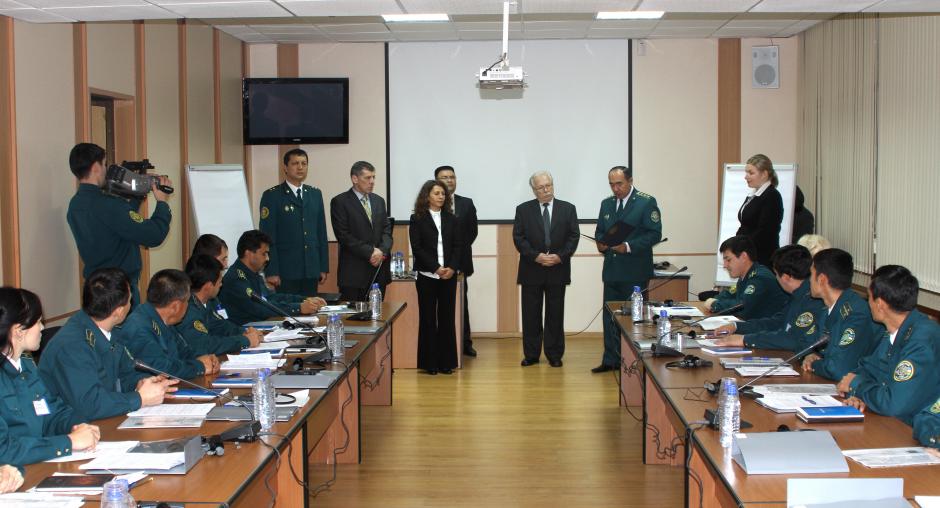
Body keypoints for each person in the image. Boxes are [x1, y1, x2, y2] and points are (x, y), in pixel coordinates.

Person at [39, 268, 176, 422]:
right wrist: (139, 398)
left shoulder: (109, 330)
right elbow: (90, 404)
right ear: (118, 311)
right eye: (130, 300)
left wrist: (141, 383)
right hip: (72, 427)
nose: (131, 304)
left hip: (102, 419)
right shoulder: (71, 346)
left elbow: (126, 372)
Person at [0, 287, 100, 468]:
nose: (42, 328)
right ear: (18, 331)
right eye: (38, 322)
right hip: (15, 474)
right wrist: (68, 442)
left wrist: (77, 425)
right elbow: (5, 450)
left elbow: (50, 412)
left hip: (39, 462)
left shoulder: (26, 364)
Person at [66, 142, 172, 306]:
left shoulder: (75, 205)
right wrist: (162, 203)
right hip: (120, 293)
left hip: (95, 289)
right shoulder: (108, 205)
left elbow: (119, 224)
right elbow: (153, 235)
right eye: (104, 164)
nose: (106, 169)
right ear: (96, 167)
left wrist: (137, 194)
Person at [837, 265, 940, 425]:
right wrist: (857, 393)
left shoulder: (922, 341)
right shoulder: (897, 330)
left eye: (869, 297)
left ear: (880, 304)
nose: (867, 303)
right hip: (894, 421)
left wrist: (857, 386)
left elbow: (894, 404)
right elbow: (866, 369)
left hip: (917, 428)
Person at [592, 166, 662, 374]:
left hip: (634, 271)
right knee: (610, 317)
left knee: (633, 319)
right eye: (612, 185)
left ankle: (632, 362)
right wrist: (601, 243)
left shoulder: (645, 202)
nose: (615, 189)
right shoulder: (606, 203)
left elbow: (654, 234)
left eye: (619, 184)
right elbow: (600, 231)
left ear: (630, 181)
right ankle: (610, 359)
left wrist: (629, 246)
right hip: (612, 270)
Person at [512, 171, 579, 368]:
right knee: (531, 315)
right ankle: (531, 355)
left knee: (555, 315)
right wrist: (536, 256)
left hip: (558, 269)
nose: (546, 190)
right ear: (534, 190)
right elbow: (518, 238)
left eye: (549, 185)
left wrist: (560, 256)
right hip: (531, 269)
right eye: (541, 187)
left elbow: (573, 236)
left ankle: (554, 354)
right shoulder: (523, 210)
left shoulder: (568, 208)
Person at [714, 245, 825, 351]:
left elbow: (792, 339)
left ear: (786, 278)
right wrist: (736, 326)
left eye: (776, 274)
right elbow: (776, 322)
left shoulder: (813, 299)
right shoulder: (797, 294)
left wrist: (745, 340)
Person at [119, 270, 220, 380]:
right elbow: (162, 369)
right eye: (187, 301)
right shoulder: (138, 327)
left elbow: (185, 352)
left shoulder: (163, 320)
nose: (188, 305)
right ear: (175, 306)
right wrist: (199, 367)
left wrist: (206, 358)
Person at [801, 248, 880, 381]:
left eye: (811, 274)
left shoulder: (856, 314)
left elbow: (838, 369)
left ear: (821, 279)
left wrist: (814, 364)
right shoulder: (827, 309)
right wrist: (811, 355)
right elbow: (804, 343)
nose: (809, 280)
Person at [259, 148, 329, 297]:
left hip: (311, 269)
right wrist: (271, 270)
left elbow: (321, 233)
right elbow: (267, 237)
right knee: (288, 310)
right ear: (285, 167)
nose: (300, 167)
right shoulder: (272, 196)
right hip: (286, 271)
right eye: (295, 163)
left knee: (311, 309)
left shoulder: (315, 194)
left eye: (304, 163)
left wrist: (323, 267)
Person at [410, 180, 463, 375]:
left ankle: (446, 362)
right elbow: (417, 248)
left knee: (447, 319)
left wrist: (452, 268)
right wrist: (436, 268)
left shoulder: (452, 219)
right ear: (427, 196)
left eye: (443, 193)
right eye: (437, 193)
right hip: (427, 275)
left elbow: (459, 246)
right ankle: (429, 363)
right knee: (428, 319)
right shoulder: (417, 219)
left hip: (449, 276)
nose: (441, 196)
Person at [218, 230, 324, 325]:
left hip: (260, 327)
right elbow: (259, 308)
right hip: (245, 331)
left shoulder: (253, 274)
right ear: (249, 254)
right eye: (264, 254)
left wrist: (304, 299)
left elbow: (271, 298)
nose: (267, 258)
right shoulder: (236, 279)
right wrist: (298, 308)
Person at [330, 161, 393, 302]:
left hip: (378, 272)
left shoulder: (379, 201)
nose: (372, 181)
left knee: (378, 313)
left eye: (373, 177)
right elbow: (343, 235)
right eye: (367, 178)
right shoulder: (340, 202)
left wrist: (381, 251)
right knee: (353, 315)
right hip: (354, 274)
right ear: (355, 178)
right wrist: (370, 252)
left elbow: (387, 230)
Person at [177, 255, 263, 356]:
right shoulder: (188, 310)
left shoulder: (206, 303)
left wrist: (245, 332)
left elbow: (220, 326)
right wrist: (244, 341)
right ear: (208, 286)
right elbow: (205, 345)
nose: (221, 285)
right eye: (219, 281)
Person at [436, 165, 479, 358]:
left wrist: (455, 260)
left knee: (461, 305)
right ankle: (442, 343)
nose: (449, 180)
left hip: (459, 264)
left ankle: (465, 343)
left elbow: (472, 233)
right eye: (444, 177)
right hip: (435, 266)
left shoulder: (466, 203)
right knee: (438, 306)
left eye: (452, 177)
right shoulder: (430, 203)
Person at [705, 235, 789, 320]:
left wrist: (714, 304)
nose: (725, 265)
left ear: (743, 257)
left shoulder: (760, 277)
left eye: (728, 260)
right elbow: (728, 294)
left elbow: (742, 307)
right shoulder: (745, 277)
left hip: (770, 326)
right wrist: (715, 300)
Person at [736, 154, 783, 267]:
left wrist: (743, 247)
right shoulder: (754, 195)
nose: (746, 177)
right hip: (750, 254)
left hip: (762, 257)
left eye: (751, 173)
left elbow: (765, 231)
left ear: (764, 174)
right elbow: (745, 225)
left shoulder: (772, 196)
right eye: (746, 172)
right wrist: (735, 244)